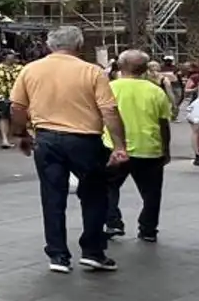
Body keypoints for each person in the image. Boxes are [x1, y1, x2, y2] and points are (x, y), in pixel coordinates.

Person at [8, 25, 126, 273]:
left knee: (52, 196)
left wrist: (20, 134)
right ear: (79, 45)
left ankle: (58, 255)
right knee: (94, 195)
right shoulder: (92, 71)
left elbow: (17, 107)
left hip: (46, 139)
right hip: (85, 140)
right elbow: (109, 110)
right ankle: (93, 251)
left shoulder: (30, 70)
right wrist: (119, 145)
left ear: (49, 45)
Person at [103, 50, 172, 242]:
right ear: (144, 68)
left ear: (120, 66)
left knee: (108, 187)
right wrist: (166, 149)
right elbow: (163, 123)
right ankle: (148, 229)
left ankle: (113, 221)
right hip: (149, 147)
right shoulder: (155, 91)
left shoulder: (110, 88)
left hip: (114, 147)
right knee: (151, 193)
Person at [0, 51, 24, 149]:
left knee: (14, 118)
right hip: (2, 96)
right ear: (5, 57)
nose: (14, 57)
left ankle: (9, 138)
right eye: (12, 55)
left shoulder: (20, 68)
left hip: (17, 96)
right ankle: (5, 139)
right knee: (3, 117)